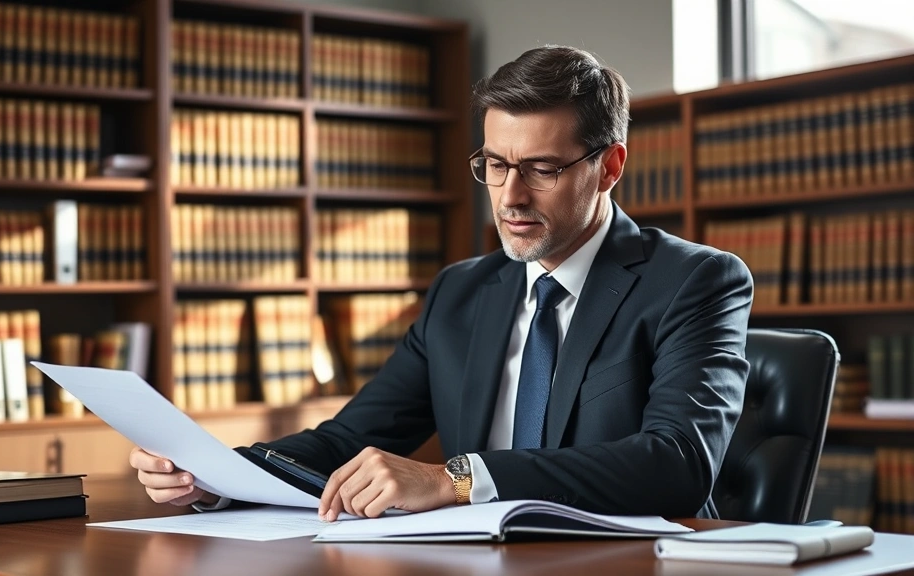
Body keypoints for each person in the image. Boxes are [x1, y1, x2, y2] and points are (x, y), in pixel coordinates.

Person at [130, 46, 753, 522]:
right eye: (495, 165)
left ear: (609, 166)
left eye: (541, 169)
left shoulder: (693, 281)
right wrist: (220, 475)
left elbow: (679, 464)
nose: (509, 196)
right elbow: (349, 440)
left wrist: (455, 479)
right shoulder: (462, 292)